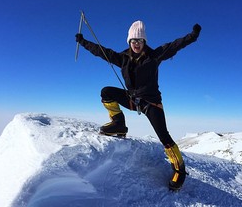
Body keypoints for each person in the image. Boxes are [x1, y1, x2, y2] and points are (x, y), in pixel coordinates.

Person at [75, 20, 201, 191]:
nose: (136, 44)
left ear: (144, 42)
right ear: (129, 42)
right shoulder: (123, 58)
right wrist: (83, 42)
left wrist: (192, 36)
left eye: (139, 41)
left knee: (164, 137)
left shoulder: (154, 56)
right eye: (133, 41)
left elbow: (175, 46)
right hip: (132, 100)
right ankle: (118, 124)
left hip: (151, 103)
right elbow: (101, 51)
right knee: (107, 92)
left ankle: (180, 170)